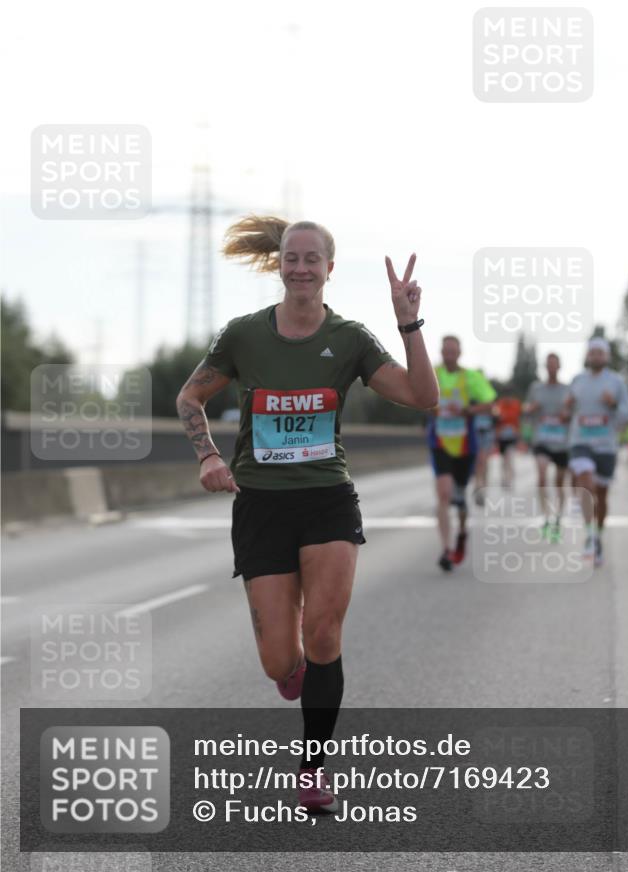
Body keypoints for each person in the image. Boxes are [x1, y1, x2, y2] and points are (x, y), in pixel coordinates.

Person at [176, 216, 438, 812]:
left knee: (323, 632)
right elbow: (190, 396)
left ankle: (313, 768)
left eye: (311, 259)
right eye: (291, 258)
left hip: (326, 498)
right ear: (280, 265)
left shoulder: (349, 338)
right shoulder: (243, 336)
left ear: (328, 269)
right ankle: (293, 670)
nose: (300, 268)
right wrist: (208, 455)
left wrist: (408, 323)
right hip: (261, 506)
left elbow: (424, 397)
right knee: (280, 660)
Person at [562, 337, 628, 566]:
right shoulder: (577, 380)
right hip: (580, 440)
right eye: (592, 353)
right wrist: (566, 408)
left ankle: (597, 536)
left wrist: (612, 404)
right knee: (585, 482)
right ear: (587, 356)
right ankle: (590, 534)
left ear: (607, 356)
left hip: (606, 444)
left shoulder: (616, 382)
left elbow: (627, 413)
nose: (596, 356)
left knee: (601, 495)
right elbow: (568, 408)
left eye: (600, 353)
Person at [426, 336, 496, 570]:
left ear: (459, 353)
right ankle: (446, 549)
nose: (449, 355)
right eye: (445, 351)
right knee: (443, 494)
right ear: (441, 352)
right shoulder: (432, 373)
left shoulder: (470, 377)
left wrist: (467, 410)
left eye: (453, 351)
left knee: (459, 495)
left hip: (466, 444)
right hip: (440, 442)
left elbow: (489, 404)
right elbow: (417, 397)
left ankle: (463, 532)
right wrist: (431, 407)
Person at [524, 353, 570, 541]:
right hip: (541, 439)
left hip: (561, 442)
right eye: (548, 365)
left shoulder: (567, 389)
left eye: (554, 365)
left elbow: (574, 411)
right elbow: (525, 409)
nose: (551, 368)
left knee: (559, 483)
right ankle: (545, 517)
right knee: (542, 476)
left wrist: (567, 414)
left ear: (559, 367)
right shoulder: (536, 388)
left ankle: (557, 518)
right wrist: (531, 408)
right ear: (545, 367)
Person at [472, 369, 496, 505]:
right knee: (480, 462)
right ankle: (479, 486)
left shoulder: (488, 394)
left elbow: (493, 412)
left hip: (485, 431)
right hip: (476, 431)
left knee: (483, 461)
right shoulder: (471, 393)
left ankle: (481, 487)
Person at [493, 389, 522, 488]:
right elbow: (496, 418)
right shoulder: (499, 405)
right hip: (501, 436)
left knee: (509, 457)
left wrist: (519, 433)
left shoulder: (516, 404)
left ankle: (509, 479)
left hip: (512, 436)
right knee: (504, 460)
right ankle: (504, 477)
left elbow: (519, 419)